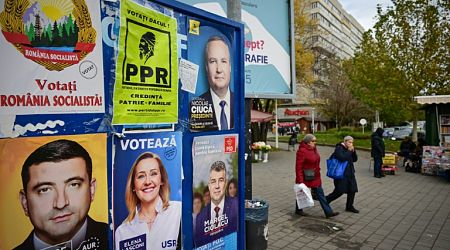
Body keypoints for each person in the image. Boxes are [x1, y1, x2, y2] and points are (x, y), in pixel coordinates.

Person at [15, 139, 107, 250]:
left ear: (91, 190)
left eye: (73, 185)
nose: (61, 203)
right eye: (44, 190)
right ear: (25, 202)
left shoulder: (117, 238)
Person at [115, 152, 181, 250]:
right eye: (141, 176)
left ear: (161, 180)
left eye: (153, 174)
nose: (147, 182)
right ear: (133, 186)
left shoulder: (178, 211)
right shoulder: (122, 231)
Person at [194, 161, 238, 247]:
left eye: (221, 180)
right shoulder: (200, 218)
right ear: (209, 185)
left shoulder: (236, 204)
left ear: (225, 183)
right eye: (213, 181)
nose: (217, 186)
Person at [295, 134, 339, 218]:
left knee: (320, 194)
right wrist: (300, 181)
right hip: (306, 176)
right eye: (313, 141)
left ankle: (328, 212)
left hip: (315, 176)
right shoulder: (302, 151)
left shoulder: (314, 149)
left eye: (315, 141)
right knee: (302, 193)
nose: (315, 142)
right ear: (307, 142)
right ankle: (298, 210)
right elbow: (298, 167)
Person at [199, 36, 234, 130]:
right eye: (213, 61)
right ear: (206, 67)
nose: (219, 69)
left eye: (223, 61)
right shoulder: (194, 107)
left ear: (230, 66)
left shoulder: (240, 104)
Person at [326, 136, 360, 213]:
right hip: (341, 173)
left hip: (350, 172)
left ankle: (349, 206)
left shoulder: (350, 149)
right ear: (345, 141)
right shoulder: (339, 148)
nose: (351, 144)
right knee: (339, 190)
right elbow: (342, 158)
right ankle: (326, 200)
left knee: (352, 189)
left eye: (352, 142)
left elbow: (355, 159)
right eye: (349, 142)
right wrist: (349, 151)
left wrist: (353, 151)